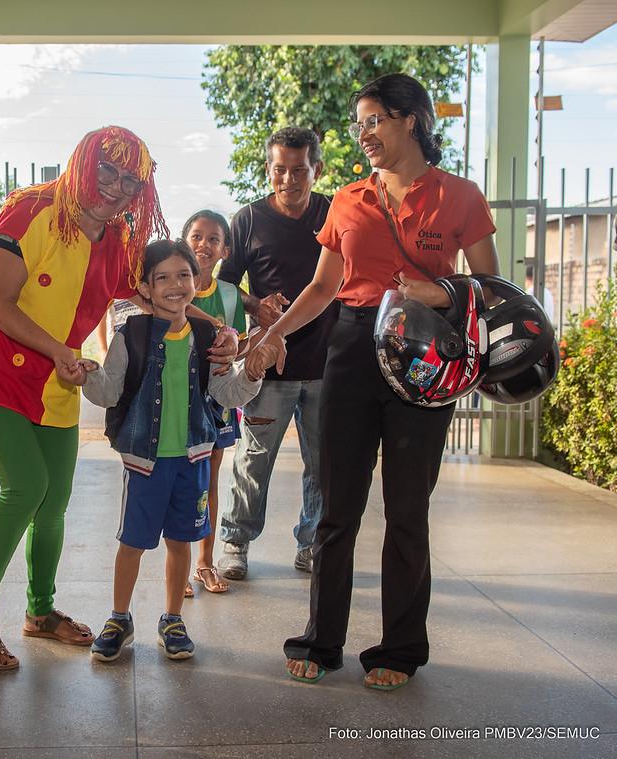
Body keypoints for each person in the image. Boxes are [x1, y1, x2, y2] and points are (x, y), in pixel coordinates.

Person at [0, 126, 238, 671]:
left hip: (59, 379)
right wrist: (60, 350)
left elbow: (164, 292)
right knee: (25, 488)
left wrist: (217, 327)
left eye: (131, 179)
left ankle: (40, 611)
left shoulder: (123, 244)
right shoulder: (30, 210)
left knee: (53, 502)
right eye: (108, 169)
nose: (117, 186)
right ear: (82, 163)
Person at [246, 74, 499, 689]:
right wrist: (272, 331)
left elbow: (493, 289)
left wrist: (443, 291)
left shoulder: (460, 196)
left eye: (373, 121)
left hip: (425, 356)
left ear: (410, 119)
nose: (363, 135)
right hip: (353, 347)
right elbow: (324, 286)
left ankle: (400, 649)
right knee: (337, 510)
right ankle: (322, 639)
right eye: (360, 124)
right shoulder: (348, 198)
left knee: (407, 510)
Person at [79, 240, 273, 662]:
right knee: (132, 542)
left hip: (194, 459)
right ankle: (119, 618)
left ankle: (172, 619)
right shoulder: (129, 334)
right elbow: (110, 391)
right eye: (162, 277)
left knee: (181, 541)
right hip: (144, 462)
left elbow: (227, 393)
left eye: (183, 275)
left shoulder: (209, 337)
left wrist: (252, 371)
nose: (174, 284)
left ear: (196, 280)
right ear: (145, 288)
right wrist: (87, 375)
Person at [217, 127, 339, 580]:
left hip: (327, 364)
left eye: (300, 170)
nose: (289, 179)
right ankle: (236, 542)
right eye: (280, 170)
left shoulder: (334, 214)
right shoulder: (247, 220)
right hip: (266, 368)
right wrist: (255, 306)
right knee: (254, 460)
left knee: (322, 464)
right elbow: (226, 284)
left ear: (317, 170)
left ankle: (311, 544)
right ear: (269, 170)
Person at [182, 210, 249, 595]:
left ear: (225, 249)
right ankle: (179, 562)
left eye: (213, 239)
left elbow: (238, 344)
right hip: (177, 396)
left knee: (208, 478)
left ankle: (205, 562)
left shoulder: (228, 294)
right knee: (178, 479)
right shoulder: (173, 284)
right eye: (196, 236)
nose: (203, 245)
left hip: (217, 399)